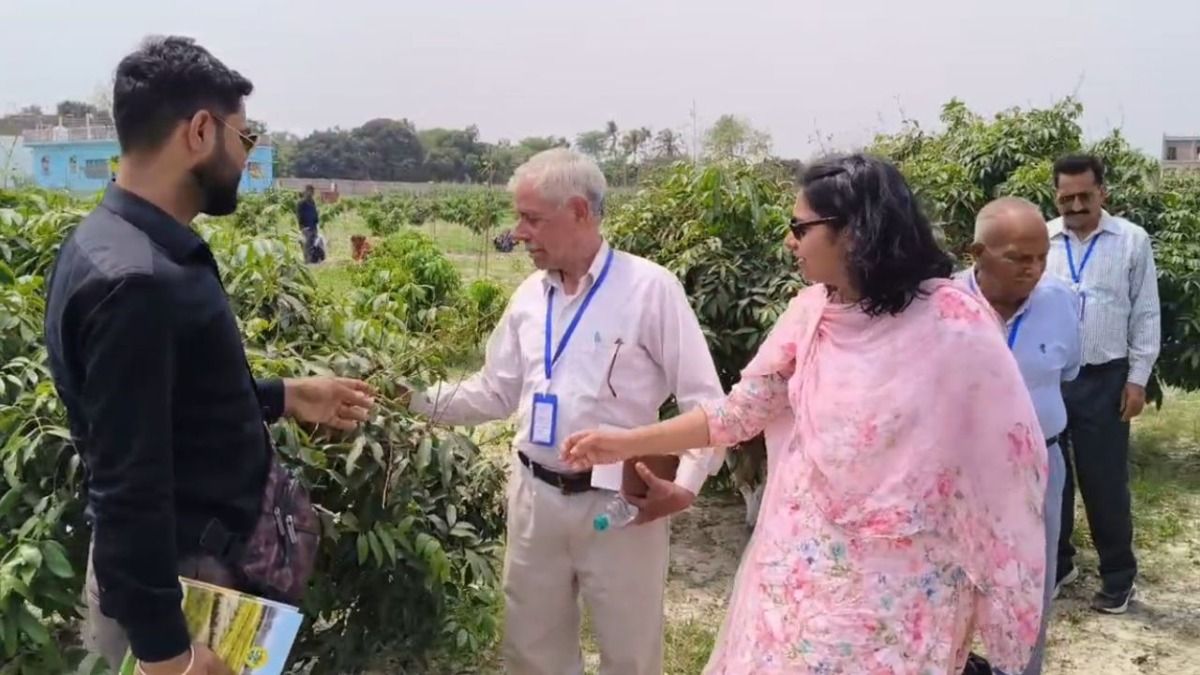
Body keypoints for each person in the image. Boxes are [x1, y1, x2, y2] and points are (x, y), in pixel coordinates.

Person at [563, 154, 1050, 674]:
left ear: (855, 233)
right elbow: (738, 414)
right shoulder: (811, 315)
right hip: (801, 570)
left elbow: (1008, 455)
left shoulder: (955, 324)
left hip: (903, 583)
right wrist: (625, 441)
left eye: (801, 227)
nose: (789, 241)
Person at [43, 36, 375, 675]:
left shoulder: (119, 241)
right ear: (201, 131)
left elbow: (171, 409)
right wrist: (169, 657)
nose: (247, 160)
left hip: (186, 575)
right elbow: (128, 485)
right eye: (244, 140)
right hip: (182, 591)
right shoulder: (138, 282)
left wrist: (286, 395)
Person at [404, 148, 725, 674]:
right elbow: (494, 391)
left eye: (532, 218)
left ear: (579, 212)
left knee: (629, 653)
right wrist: (411, 398)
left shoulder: (650, 289)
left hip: (620, 504)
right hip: (535, 497)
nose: (519, 232)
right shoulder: (530, 296)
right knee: (532, 650)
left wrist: (685, 485)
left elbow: (707, 402)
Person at [956, 197, 1082, 675]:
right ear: (977, 253)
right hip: (961, 473)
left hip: (1040, 468)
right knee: (955, 580)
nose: (1033, 269)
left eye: (1040, 258)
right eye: (1017, 258)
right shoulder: (944, 307)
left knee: (1032, 583)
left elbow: (1067, 369)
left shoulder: (1062, 301)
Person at [1046, 154, 1161, 614]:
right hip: (1051, 378)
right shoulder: (1043, 240)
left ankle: (1118, 575)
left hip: (1105, 378)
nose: (1075, 204)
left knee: (1104, 481)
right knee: (1052, 480)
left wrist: (1137, 379)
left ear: (1103, 194)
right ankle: (1059, 563)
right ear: (1056, 196)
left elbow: (1146, 312)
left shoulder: (1131, 240)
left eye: (1085, 196)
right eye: (1066, 196)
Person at [297, 184, 321, 263]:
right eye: (310, 191)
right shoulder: (301, 203)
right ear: (306, 192)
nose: (312, 193)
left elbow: (314, 213)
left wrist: (316, 222)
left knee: (312, 243)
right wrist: (302, 227)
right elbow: (299, 215)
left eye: (313, 192)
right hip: (306, 227)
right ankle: (307, 260)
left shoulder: (312, 202)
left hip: (313, 226)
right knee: (307, 244)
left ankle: (311, 260)